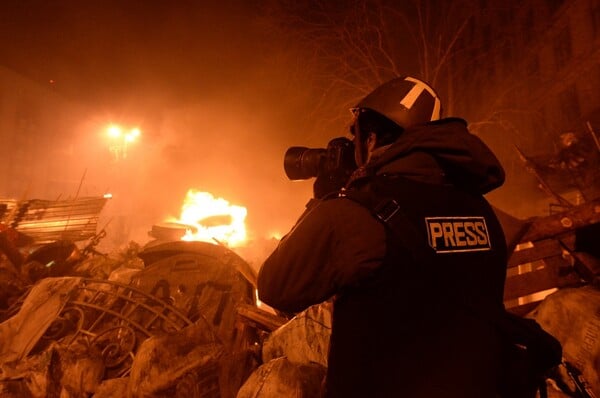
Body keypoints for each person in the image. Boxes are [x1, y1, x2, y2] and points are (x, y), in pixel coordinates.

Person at [257, 76, 508, 397]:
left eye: (357, 138)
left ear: (372, 139)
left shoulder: (356, 212)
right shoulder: (481, 209)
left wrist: (325, 198)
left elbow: (276, 285)